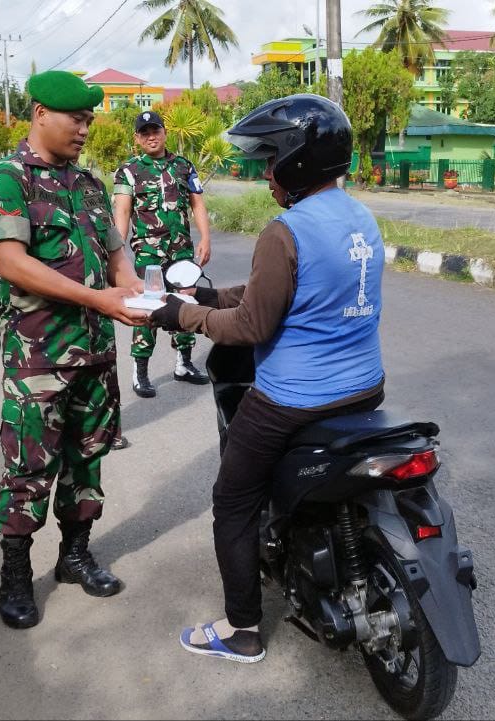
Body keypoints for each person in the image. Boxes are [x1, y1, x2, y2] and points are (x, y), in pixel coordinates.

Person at [149, 94, 385, 663]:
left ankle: (242, 631)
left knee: (231, 500)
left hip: (293, 399)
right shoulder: (360, 215)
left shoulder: (286, 229)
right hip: (367, 386)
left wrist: (183, 314)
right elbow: (299, 294)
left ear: (294, 162)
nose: (265, 175)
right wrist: (208, 295)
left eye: (268, 162)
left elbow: (253, 323)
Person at [0, 70, 150, 630]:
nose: (85, 129)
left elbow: (118, 258)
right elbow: (12, 263)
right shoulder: (7, 177)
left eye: (90, 120)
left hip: (96, 355)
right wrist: (98, 299)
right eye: (76, 118)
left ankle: (74, 556)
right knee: (28, 468)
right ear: (41, 112)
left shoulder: (91, 186)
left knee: (87, 461)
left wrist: (146, 293)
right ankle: (17, 575)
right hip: (39, 359)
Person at [112, 110, 212, 399]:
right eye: (144, 133)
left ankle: (184, 363)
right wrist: (116, 252)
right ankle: (140, 371)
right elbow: (123, 211)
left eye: (155, 130)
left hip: (181, 251)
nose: (151, 136)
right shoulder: (129, 170)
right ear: (137, 138)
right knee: (149, 309)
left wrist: (205, 237)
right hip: (149, 256)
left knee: (184, 304)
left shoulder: (183, 166)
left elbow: (197, 204)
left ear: (165, 132)